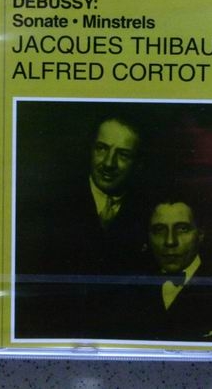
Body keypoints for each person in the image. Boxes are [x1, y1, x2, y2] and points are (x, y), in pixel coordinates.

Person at [15, 115, 151, 339]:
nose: (108, 163)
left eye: (123, 155)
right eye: (101, 149)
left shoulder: (150, 213)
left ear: (138, 163)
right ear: (90, 149)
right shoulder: (50, 207)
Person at [129, 196, 212, 342]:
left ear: (200, 234)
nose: (170, 241)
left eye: (182, 229)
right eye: (159, 230)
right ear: (148, 236)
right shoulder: (132, 292)